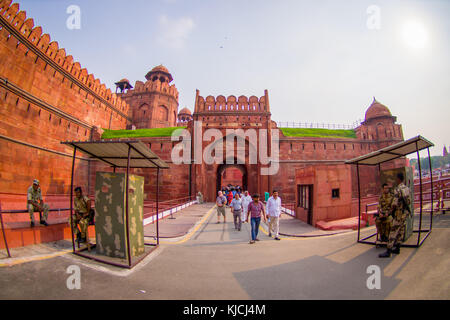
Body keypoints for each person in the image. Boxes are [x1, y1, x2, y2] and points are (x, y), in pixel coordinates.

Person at [379, 173, 411, 258]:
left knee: (393, 232)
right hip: (405, 214)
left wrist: (389, 213)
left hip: (399, 214)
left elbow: (394, 204)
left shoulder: (398, 189)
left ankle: (388, 251)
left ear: (398, 179)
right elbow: (409, 202)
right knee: (401, 231)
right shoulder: (407, 189)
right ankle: (397, 248)